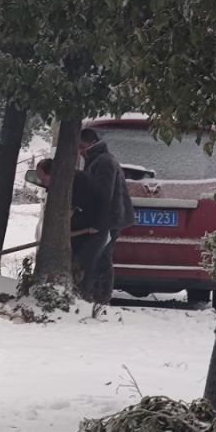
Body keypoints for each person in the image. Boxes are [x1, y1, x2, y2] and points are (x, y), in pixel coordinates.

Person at [78, 127, 136, 304]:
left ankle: (100, 297)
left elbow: (104, 195)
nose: (79, 151)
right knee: (99, 256)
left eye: (80, 146)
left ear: (90, 144)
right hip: (108, 218)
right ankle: (97, 296)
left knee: (101, 258)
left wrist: (97, 222)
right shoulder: (97, 159)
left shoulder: (103, 162)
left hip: (108, 220)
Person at [35, 157, 106, 297]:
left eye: (44, 180)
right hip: (81, 229)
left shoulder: (74, 184)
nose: (44, 185)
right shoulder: (64, 182)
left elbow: (70, 212)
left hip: (95, 229)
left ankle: (84, 299)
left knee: (84, 265)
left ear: (53, 174)